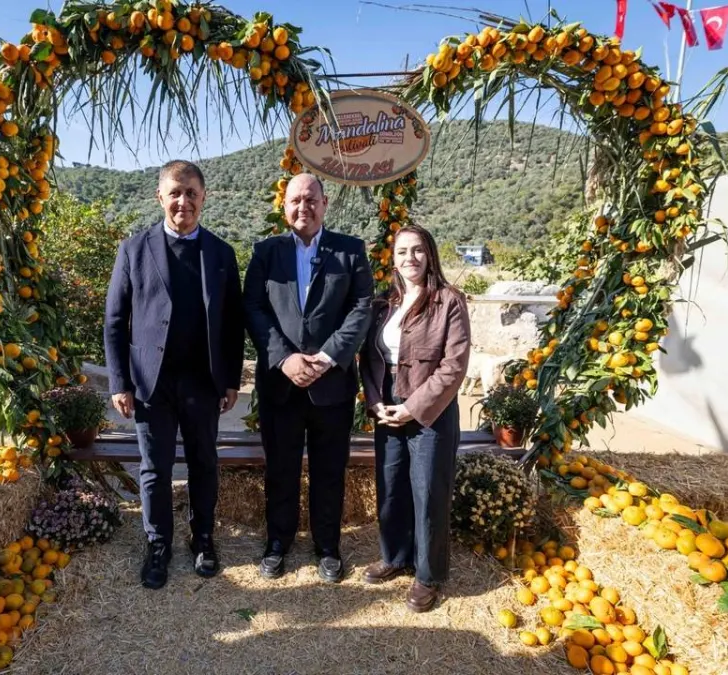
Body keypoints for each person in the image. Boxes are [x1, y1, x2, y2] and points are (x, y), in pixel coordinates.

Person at [104, 160, 245, 589]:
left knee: (205, 462)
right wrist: (119, 383)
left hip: (203, 382)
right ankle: (158, 543)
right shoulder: (134, 249)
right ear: (160, 198)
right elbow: (114, 320)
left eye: (191, 193)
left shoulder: (221, 253)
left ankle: (203, 537)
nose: (183, 201)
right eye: (175, 193)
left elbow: (234, 322)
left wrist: (232, 379)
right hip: (151, 383)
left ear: (204, 198)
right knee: (155, 468)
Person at [243, 173, 374, 583]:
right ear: (284, 207)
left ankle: (327, 546)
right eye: (296, 200)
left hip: (330, 383)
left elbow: (362, 307)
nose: (304, 207)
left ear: (325, 202)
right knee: (280, 466)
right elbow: (254, 310)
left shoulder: (350, 251)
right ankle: (278, 543)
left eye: (311, 199)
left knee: (329, 469)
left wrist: (326, 356)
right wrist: (284, 359)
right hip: (281, 384)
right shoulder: (266, 252)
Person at [358, 223, 471, 612]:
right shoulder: (383, 303)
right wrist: (375, 400)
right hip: (387, 405)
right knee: (390, 484)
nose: (411, 258)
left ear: (430, 254)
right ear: (393, 258)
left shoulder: (449, 301)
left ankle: (428, 574)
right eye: (403, 251)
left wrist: (413, 407)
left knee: (427, 490)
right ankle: (394, 556)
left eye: (418, 250)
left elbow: (454, 365)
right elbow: (370, 358)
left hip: (430, 409)